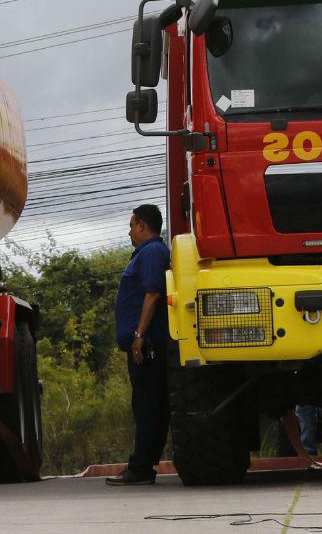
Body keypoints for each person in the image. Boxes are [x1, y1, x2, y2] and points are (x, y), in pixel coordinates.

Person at [106, 204, 171, 486]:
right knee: (147, 405)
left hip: (149, 346)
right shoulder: (147, 253)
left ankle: (141, 468)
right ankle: (143, 465)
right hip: (144, 344)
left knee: (147, 406)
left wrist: (139, 335)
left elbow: (153, 293)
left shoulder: (153, 252)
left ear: (142, 225)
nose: (129, 232)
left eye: (131, 225)